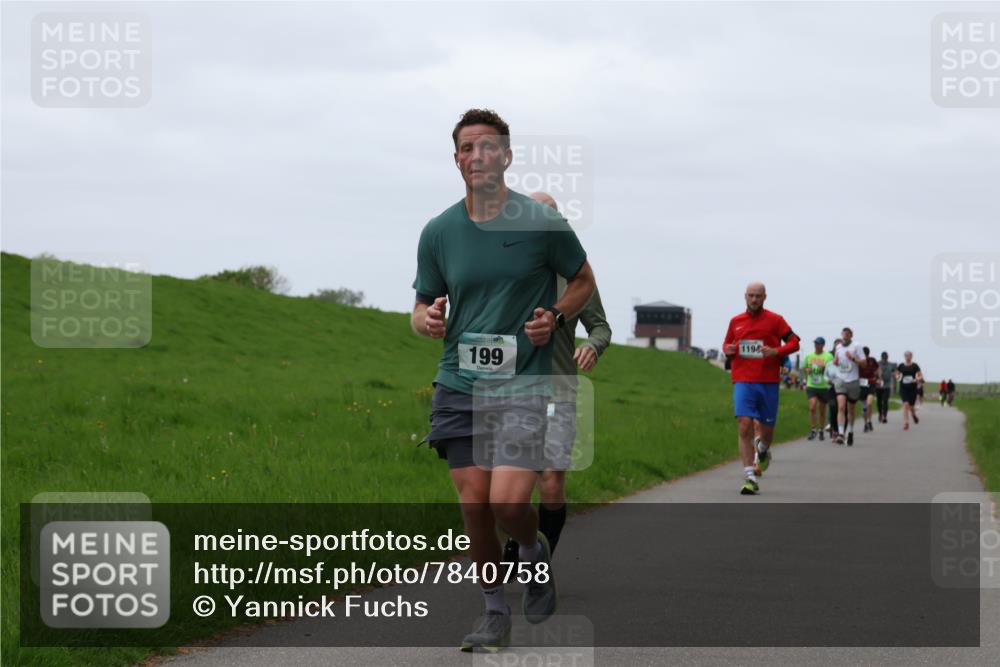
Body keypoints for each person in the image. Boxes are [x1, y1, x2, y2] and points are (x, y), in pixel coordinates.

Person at [411, 109, 596, 652]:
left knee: (508, 504)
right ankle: (494, 613)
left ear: (507, 156)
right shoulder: (439, 231)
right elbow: (421, 306)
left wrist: (556, 316)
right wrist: (427, 320)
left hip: (523, 385)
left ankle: (533, 553)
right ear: (457, 160)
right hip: (459, 382)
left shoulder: (541, 224)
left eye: (488, 147)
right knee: (475, 509)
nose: (478, 157)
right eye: (467, 148)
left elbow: (584, 281)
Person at [501, 192, 612, 563]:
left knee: (550, 479)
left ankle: (536, 560)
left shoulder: (575, 277)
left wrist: (593, 347)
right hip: (511, 390)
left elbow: (600, 328)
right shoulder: (508, 271)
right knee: (514, 482)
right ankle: (522, 540)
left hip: (558, 390)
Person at [722, 282, 800, 495]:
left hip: (768, 383)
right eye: (750, 295)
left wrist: (776, 351)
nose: (754, 299)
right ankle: (750, 476)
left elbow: (795, 343)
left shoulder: (776, 320)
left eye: (758, 296)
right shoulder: (735, 321)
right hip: (743, 380)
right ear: (745, 297)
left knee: (766, 433)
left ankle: (763, 450)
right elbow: (727, 345)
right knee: (744, 425)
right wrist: (728, 350)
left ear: (765, 297)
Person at [831, 327, 867, 446]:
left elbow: (864, 363)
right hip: (840, 380)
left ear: (851, 335)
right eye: (843, 334)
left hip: (853, 381)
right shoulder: (838, 347)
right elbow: (836, 360)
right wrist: (835, 362)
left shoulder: (857, 346)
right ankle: (841, 434)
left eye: (847, 334)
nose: (845, 336)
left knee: (850, 410)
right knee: (841, 407)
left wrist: (852, 358)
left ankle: (850, 431)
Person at [802, 337, 833, 441]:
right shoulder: (809, 356)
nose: (816, 345)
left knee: (822, 410)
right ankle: (813, 429)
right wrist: (807, 370)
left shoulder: (828, 356)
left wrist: (824, 367)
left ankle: (821, 430)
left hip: (823, 386)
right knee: (812, 407)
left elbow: (831, 369)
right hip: (812, 386)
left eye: (818, 344)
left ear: (823, 345)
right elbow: (804, 368)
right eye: (815, 343)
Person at [894, 351, 923, 430]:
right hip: (903, 388)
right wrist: (897, 376)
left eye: (909, 355)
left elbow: (921, 376)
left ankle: (914, 415)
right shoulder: (901, 366)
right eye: (906, 355)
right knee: (906, 404)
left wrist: (916, 379)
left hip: (913, 388)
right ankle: (906, 422)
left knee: (911, 406)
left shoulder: (915, 366)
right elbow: (896, 374)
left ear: (911, 356)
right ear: (904, 356)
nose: (907, 357)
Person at [858, 346, 879, 433]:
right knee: (864, 408)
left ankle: (869, 421)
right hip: (861, 385)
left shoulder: (872, 360)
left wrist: (878, 377)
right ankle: (866, 423)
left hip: (871, 384)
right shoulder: (858, 361)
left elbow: (878, 369)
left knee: (869, 403)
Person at [876, 351, 895, 423]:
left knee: (885, 401)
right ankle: (880, 414)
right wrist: (878, 373)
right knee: (879, 402)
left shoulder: (890, 365)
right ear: (881, 358)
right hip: (878, 386)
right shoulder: (878, 364)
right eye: (883, 359)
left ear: (887, 358)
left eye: (885, 358)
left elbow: (893, 372)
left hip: (887, 386)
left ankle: (884, 416)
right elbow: (874, 372)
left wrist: (894, 375)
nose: (884, 360)